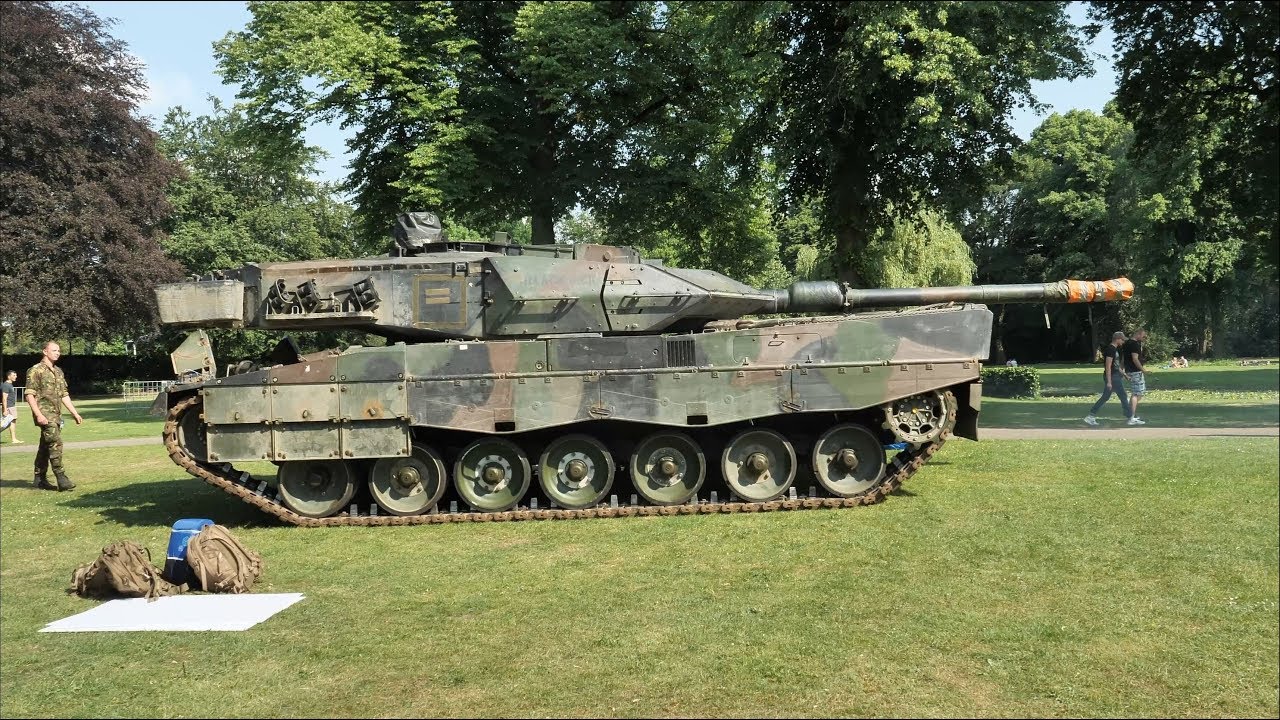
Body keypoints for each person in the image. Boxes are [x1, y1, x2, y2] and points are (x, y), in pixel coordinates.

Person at [25, 341, 84, 491]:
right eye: (54, 350)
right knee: (55, 443)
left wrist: (74, 413)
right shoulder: (35, 370)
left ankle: (39, 479)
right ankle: (61, 477)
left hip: (56, 414)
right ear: (45, 351)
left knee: (46, 445)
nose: (57, 353)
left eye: (59, 350)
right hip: (44, 413)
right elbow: (29, 395)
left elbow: (64, 394)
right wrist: (38, 415)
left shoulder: (58, 371)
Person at [1084, 331, 1134, 426]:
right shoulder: (1111, 349)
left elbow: (1115, 365)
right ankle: (1130, 417)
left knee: (1106, 397)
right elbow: (1108, 366)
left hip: (1115, 375)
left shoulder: (1114, 349)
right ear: (1118, 339)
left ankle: (1090, 416)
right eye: (1122, 340)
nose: (1123, 342)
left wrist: (1125, 375)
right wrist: (1109, 382)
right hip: (1113, 377)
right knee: (1123, 396)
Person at [1123, 328, 1149, 425]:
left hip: (1129, 371)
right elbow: (1135, 359)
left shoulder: (1126, 343)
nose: (1143, 338)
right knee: (1137, 394)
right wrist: (1143, 370)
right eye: (1143, 336)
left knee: (1137, 393)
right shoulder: (1134, 344)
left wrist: (1123, 372)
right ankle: (1131, 418)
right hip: (1135, 372)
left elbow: (1123, 359)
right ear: (1138, 334)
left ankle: (1131, 415)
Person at [1, 369, 23, 443]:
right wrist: (5, 409)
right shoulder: (6, 385)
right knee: (5, 424)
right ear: (9, 376)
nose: (16, 376)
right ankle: (14, 439)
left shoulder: (9, 384)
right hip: (9, 407)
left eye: (16, 375)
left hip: (11, 406)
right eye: (14, 375)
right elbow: (4, 398)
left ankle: (14, 439)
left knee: (7, 423)